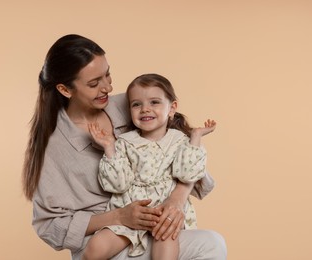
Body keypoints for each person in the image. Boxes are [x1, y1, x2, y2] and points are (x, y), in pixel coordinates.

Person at [22, 34, 227, 260]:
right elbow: (51, 225)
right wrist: (119, 217)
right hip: (106, 241)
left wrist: (176, 200)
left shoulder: (133, 103)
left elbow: (183, 155)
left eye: (107, 74)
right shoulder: (53, 148)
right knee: (210, 245)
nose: (107, 87)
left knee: (208, 243)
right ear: (65, 90)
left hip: (154, 229)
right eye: (94, 83)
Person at [83, 73, 217, 260]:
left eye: (154, 102)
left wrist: (195, 138)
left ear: (172, 108)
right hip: (131, 212)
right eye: (136, 104)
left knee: (166, 244)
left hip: (164, 216)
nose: (145, 109)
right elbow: (118, 184)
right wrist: (109, 147)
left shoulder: (181, 141)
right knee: (95, 248)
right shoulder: (124, 141)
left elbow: (188, 175)